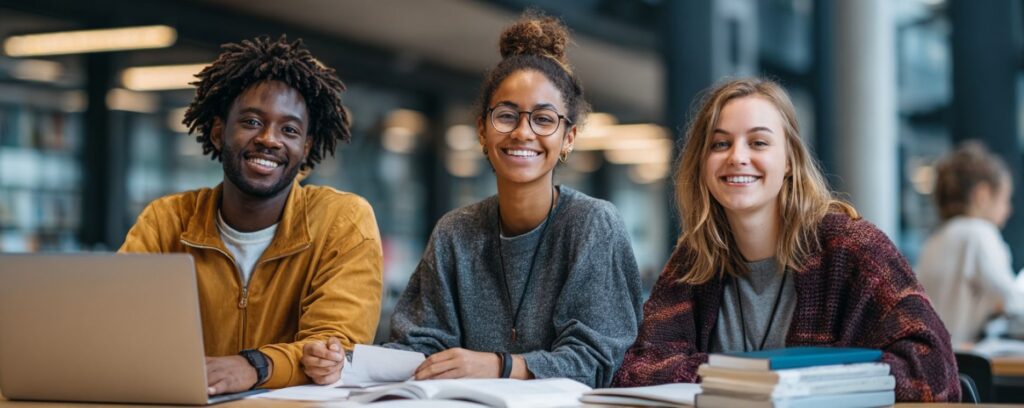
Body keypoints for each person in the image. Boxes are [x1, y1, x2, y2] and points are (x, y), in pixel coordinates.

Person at [301, 12, 643, 388]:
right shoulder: (456, 232)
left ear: (569, 138)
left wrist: (498, 365)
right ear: (482, 129)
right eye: (507, 115)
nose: (523, 132)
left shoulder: (593, 224)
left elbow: (597, 361)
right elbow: (420, 345)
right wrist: (343, 360)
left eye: (543, 119)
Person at [611, 78, 960, 402]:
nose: (737, 156)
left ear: (790, 160)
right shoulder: (694, 257)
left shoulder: (852, 247)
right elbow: (637, 369)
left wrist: (805, 382)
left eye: (758, 142)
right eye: (720, 144)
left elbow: (934, 369)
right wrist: (741, 381)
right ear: (703, 162)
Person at [120, 36, 383, 394]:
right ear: (218, 133)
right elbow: (120, 327)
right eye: (252, 121)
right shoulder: (166, 220)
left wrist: (254, 366)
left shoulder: (343, 220)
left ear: (304, 148)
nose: (270, 140)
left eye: (289, 130)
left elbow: (335, 347)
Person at [916, 141, 1023, 346]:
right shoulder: (979, 233)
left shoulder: (934, 241)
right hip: (967, 361)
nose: (1008, 210)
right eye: (1004, 200)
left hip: (935, 358)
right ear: (982, 195)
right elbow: (1012, 300)